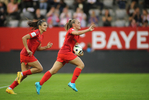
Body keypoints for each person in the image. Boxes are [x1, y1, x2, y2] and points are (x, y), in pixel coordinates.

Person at [35, 19, 95, 95]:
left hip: (63, 53)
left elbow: (74, 46)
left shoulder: (77, 36)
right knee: (81, 65)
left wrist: (79, 52)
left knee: (53, 71)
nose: (80, 24)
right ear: (73, 25)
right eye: (78, 23)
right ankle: (72, 82)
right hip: (65, 52)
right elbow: (76, 32)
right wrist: (88, 30)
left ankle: (39, 83)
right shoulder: (71, 30)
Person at [6, 19, 53, 94]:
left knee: (24, 75)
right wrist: (27, 49)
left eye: (46, 25)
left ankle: (10, 88)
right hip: (26, 54)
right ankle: (21, 74)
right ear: (39, 26)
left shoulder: (42, 35)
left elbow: (38, 48)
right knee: (40, 68)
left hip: (25, 54)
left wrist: (46, 47)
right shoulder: (36, 32)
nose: (46, 27)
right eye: (44, 25)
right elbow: (24, 37)